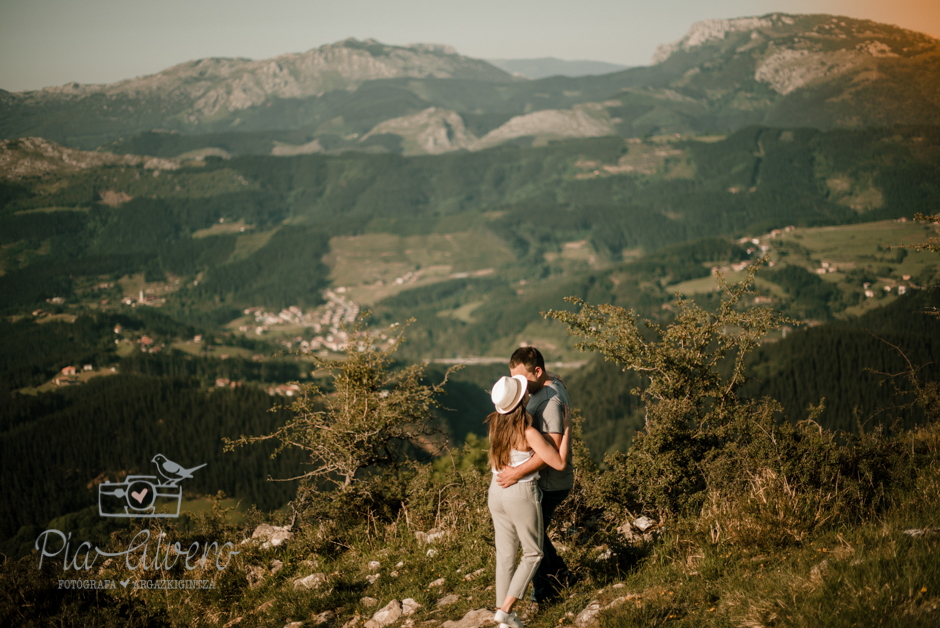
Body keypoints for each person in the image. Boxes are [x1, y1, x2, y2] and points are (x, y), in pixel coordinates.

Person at [487, 374, 571, 628]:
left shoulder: (495, 426)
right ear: (522, 398)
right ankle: (505, 611)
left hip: (496, 490)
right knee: (533, 553)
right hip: (520, 493)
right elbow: (558, 463)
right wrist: (567, 428)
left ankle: (504, 618)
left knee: (505, 555)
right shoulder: (528, 433)